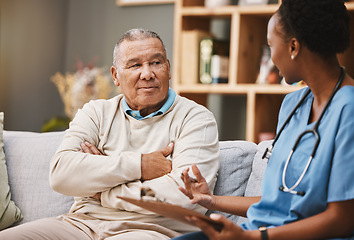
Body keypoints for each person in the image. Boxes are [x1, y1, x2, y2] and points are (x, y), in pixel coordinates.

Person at [0, 28, 220, 239]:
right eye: (135, 65)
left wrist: (103, 191)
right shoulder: (96, 112)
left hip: (150, 230)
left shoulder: (196, 118)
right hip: (80, 225)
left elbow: (182, 196)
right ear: (116, 76)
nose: (147, 73)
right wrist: (141, 165)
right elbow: (61, 174)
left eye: (156, 62)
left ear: (168, 68)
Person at [172, 0, 354, 239]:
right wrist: (211, 200)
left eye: (271, 45)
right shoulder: (292, 105)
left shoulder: (348, 110)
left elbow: (342, 220)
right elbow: (276, 202)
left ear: (293, 47)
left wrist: (255, 238)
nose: (271, 57)